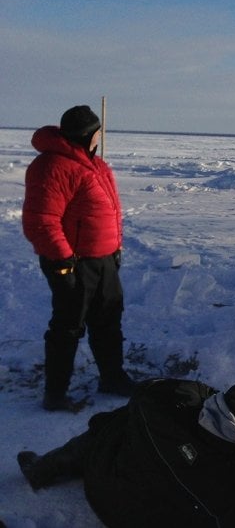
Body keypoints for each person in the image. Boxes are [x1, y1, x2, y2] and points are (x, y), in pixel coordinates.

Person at [16, 378, 235, 528]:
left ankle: (42, 470)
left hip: (104, 480)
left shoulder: (175, 400)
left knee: (112, 427)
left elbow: (149, 388)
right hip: (139, 522)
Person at [22, 104, 134, 410]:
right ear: (88, 135)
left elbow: (110, 211)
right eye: (97, 132)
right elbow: (40, 220)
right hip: (73, 262)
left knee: (108, 320)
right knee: (68, 326)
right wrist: (62, 261)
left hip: (104, 259)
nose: (100, 137)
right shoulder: (53, 166)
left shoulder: (94, 165)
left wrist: (115, 249)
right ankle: (55, 395)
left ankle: (112, 377)